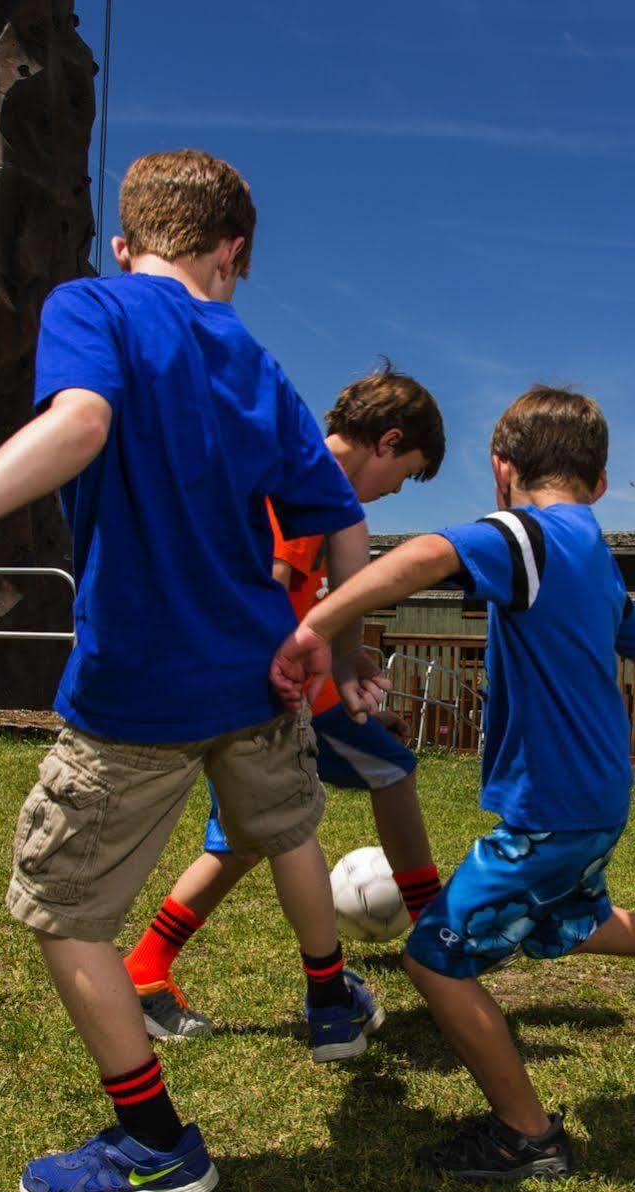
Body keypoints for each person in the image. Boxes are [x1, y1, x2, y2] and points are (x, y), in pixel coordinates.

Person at [0, 149, 386, 1192]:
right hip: (257, 672)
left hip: (138, 686)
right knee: (285, 830)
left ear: (125, 245)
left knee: (62, 910)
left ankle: (154, 1142)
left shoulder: (93, 304)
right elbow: (342, 520)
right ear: (232, 252)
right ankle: (331, 1000)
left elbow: (82, 423)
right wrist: (338, 645)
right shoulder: (256, 359)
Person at [273, 385, 635, 1184]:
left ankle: (528, 1136)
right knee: (577, 923)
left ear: (500, 469)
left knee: (433, 958)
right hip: (593, 800)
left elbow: (420, 558)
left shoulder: (526, 535)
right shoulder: (592, 551)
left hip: (550, 812)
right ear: (602, 484)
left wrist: (313, 625)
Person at [128, 364, 449, 1043]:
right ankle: (428, 937)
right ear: (387, 441)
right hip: (263, 696)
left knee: (246, 843)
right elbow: (270, 589)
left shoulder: (289, 468)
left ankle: (147, 971)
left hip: (260, 689)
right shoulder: (305, 484)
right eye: (402, 474)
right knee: (382, 772)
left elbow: (319, 601)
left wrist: (342, 673)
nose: (393, 493)